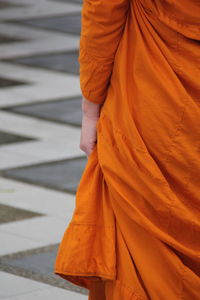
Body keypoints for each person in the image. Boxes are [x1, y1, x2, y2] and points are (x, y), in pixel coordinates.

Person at [54, 0, 200, 299]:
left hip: (152, 96)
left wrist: (91, 108)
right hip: (157, 93)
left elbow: (103, 14)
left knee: (145, 247)